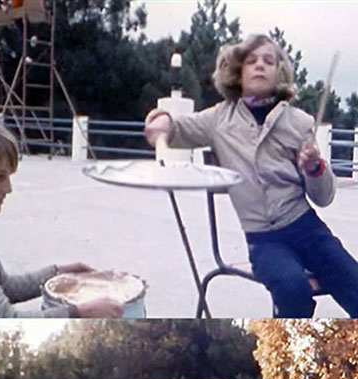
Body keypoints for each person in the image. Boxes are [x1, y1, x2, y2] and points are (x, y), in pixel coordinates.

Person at [145, 34, 358, 318]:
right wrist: (161, 121)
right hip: (263, 240)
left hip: (308, 229)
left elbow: (324, 196)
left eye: (268, 61)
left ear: (278, 73)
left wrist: (314, 168)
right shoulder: (219, 119)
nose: (260, 66)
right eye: (251, 61)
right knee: (292, 288)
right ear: (238, 72)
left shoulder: (298, 122)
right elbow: (178, 128)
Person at [0, 114, 124, 318]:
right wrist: (82, 312)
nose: (8, 188)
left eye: (8, 177)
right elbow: (4, 319)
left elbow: (3, 286)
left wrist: (56, 273)